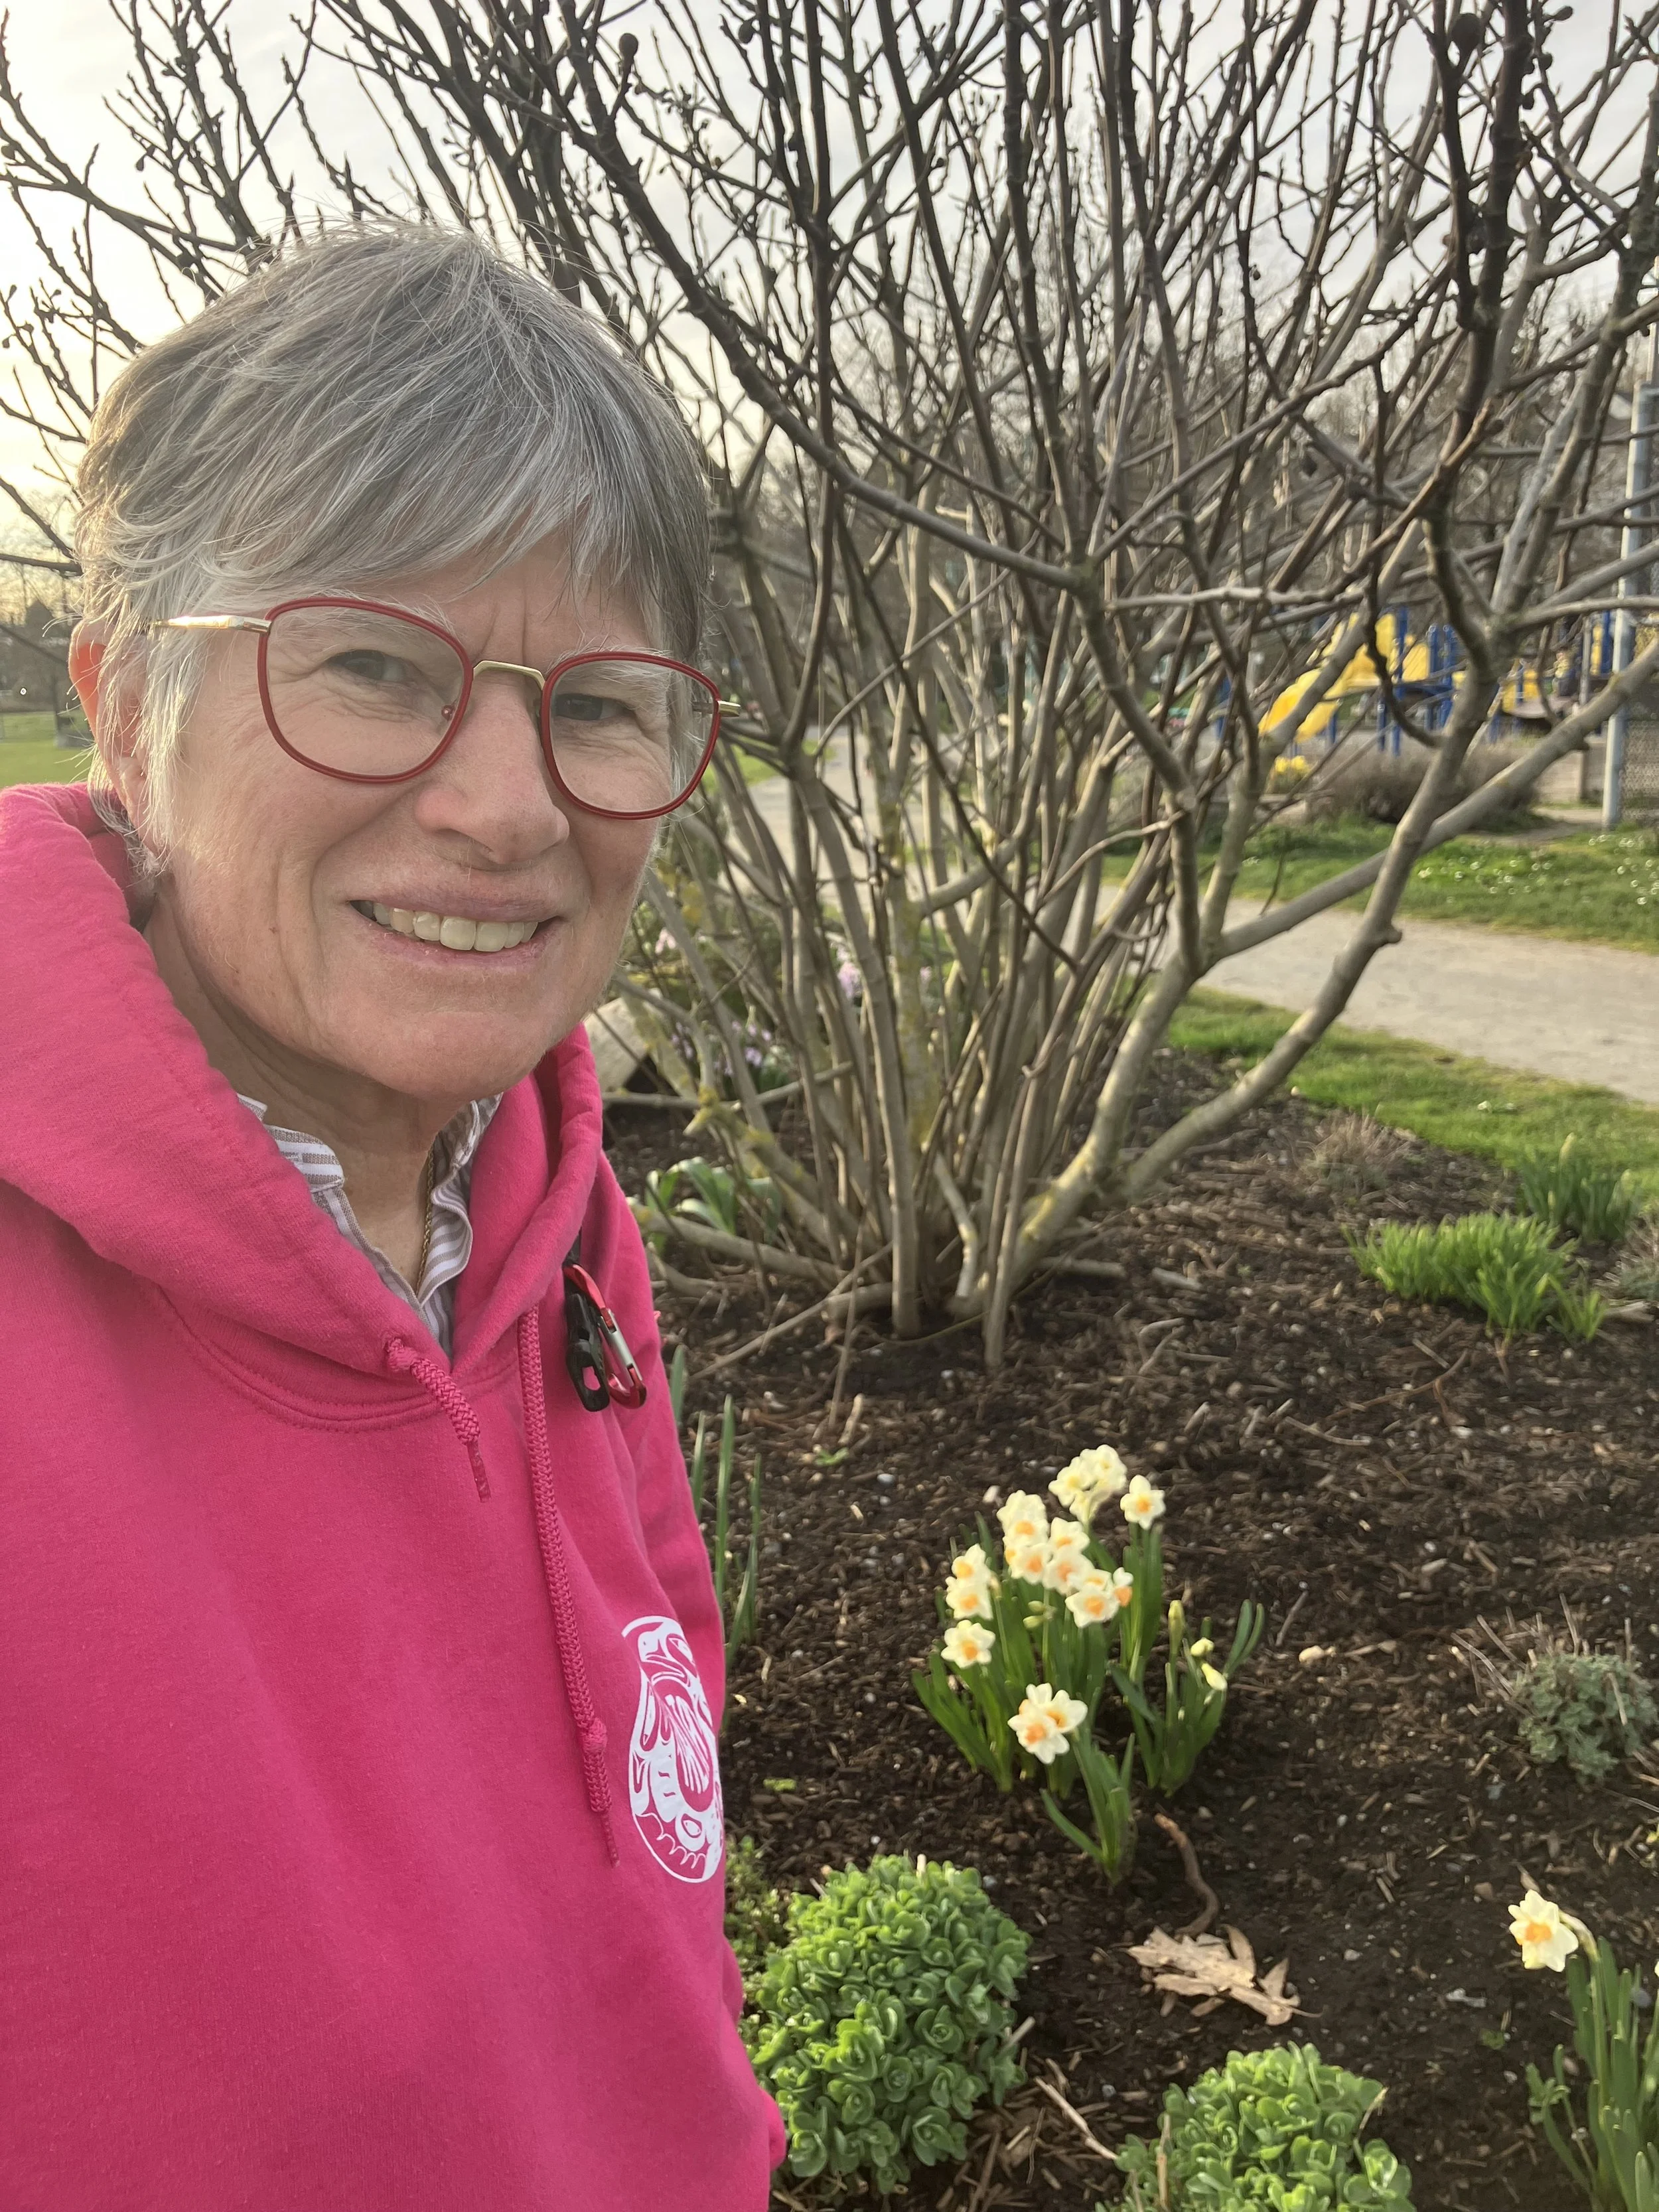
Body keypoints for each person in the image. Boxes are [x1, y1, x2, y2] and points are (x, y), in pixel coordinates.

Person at [0, 224, 782, 2210]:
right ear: (120, 701)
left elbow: (654, 1812)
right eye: (371, 664)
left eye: (598, 701)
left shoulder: (544, 1201)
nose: (510, 804)